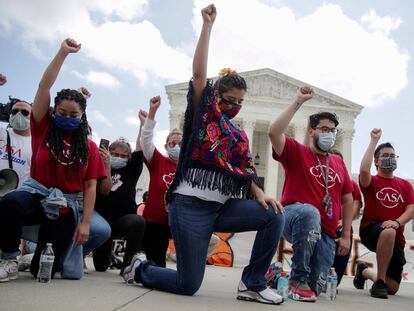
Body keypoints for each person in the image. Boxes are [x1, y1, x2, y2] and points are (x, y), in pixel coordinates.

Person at [122, 5, 285, 305]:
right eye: (229, 99)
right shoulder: (203, 116)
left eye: (240, 102)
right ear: (216, 97)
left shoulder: (239, 136)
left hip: (222, 208)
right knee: (188, 284)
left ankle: (253, 283)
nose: (234, 105)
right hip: (189, 208)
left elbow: (243, 172)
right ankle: (140, 268)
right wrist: (207, 27)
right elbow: (198, 76)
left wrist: (259, 193)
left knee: (273, 214)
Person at [0, 38, 109, 282]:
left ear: (82, 117)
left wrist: (85, 223)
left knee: (48, 269)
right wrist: (62, 53)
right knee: (10, 203)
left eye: (74, 115)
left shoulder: (89, 147)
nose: (67, 118)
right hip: (35, 194)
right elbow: (43, 88)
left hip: (64, 207)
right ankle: (8, 258)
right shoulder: (43, 127)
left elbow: (91, 186)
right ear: (53, 112)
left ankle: (34, 259)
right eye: (62, 113)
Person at [268, 94, 354, 301]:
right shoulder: (297, 152)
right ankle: (297, 280)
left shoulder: (338, 162)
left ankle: (275, 276)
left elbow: (348, 199)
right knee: (309, 212)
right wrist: (297, 101)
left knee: (317, 285)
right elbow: (273, 132)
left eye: (333, 130)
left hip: (326, 230)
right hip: (294, 216)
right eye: (324, 129)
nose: (330, 134)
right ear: (311, 131)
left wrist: (346, 235)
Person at [353, 128, 414, 298]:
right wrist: (373, 141)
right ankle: (379, 282)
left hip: (395, 235)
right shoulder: (371, 181)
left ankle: (365, 272)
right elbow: (364, 171)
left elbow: (411, 209)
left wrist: (397, 222)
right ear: (376, 162)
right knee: (388, 231)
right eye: (385, 156)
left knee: (392, 287)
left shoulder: (405, 185)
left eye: (392, 156)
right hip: (371, 229)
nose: (390, 159)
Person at [93, 136, 146, 273]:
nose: (118, 157)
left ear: (128, 158)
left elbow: (139, 149)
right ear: (108, 153)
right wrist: (106, 167)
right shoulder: (99, 168)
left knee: (138, 222)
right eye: (115, 154)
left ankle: (128, 264)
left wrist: (143, 124)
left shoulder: (131, 170)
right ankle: (108, 256)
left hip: (124, 219)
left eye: (123, 156)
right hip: (103, 222)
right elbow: (104, 191)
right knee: (100, 266)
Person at [138, 97, 180, 267]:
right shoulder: (158, 161)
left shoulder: (190, 169)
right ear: (166, 145)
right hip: (156, 222)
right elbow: (146, 140)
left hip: (180, 221)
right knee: (157, 265)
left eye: (181, 143)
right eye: (173, 143)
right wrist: (152, 112)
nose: (177, 146)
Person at [329, 149, 362, 286]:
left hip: (341, 227)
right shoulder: (321, 180)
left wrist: (344, 221)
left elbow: (355, 205)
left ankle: (332, 280)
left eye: (339, 162)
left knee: (343, 233)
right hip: (323, 226)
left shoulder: (351, 183)